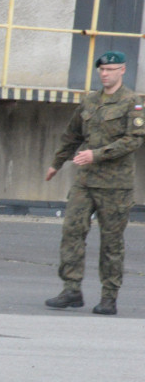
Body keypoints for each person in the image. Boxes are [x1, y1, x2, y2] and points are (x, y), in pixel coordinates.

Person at [44, 50, 144, 316]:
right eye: (101, 70)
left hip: (115, 186)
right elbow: (72, 134)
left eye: (110, 69)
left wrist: (96, 155)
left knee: (112, 242)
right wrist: (57, 163)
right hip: (85, 182)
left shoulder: (132, 103)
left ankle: (109, 296)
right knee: (72, 233)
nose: (105, 74)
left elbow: (134, 140)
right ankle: (71, 289)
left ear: (122, 71)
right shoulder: (90, 102)